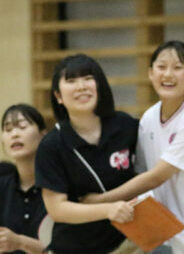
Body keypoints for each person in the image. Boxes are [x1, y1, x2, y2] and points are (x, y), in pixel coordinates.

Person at [82, 41, 184, 254]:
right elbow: (141, 174)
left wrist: (98, 202)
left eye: (178, 67)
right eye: (161, 67)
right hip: (171, 236)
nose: (168, 74)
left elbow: (156, 176)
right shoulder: (149, 118)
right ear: (150, 73)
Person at [34, 54, 143, 254]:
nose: (81, 86)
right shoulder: (51, 146)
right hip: (73, 247)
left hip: (127, 245)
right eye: (71, 80)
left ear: (99, 86)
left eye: (88, 78)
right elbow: (57, 209)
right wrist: (108, 209)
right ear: (58, 96)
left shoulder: (127, 126)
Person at [0, 104, 48, 254]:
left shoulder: (59, 185)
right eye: (7, 130)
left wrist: (20, 242)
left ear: (43, 134)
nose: (14, 134)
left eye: (22, 126)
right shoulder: (2, 186)